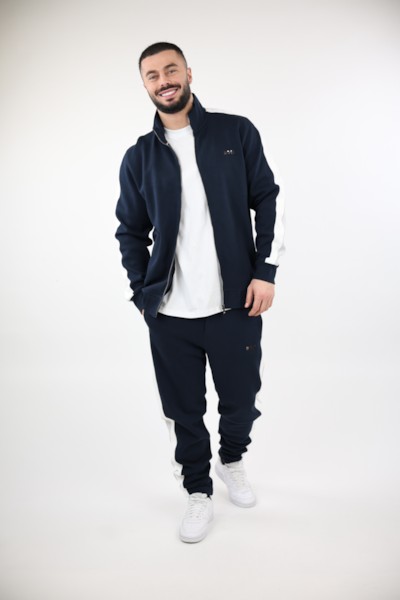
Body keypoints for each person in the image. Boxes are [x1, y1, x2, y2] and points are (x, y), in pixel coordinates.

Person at [114, 41, 285, 543]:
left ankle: (231, 459)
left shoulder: (235, 132)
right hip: (170, 315)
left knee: (241, 400)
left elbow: (267, 199)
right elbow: (130, 231)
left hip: (236, 303)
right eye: (152, 75)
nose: (163, 80)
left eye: (171, 70)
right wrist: (142, 293)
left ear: (188, 73)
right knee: (183, 410)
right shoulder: (139, 156)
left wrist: (266, 271)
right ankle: (197, 490)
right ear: (144, 85)